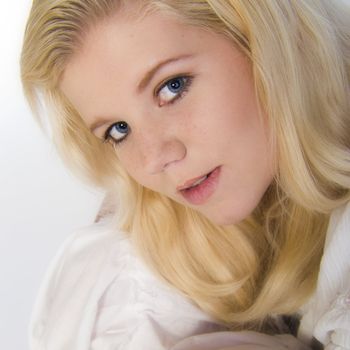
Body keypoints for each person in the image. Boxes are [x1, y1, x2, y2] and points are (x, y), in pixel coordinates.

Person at [21, 0, 350, 349]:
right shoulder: (139, 273)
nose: (154, 159)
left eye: (172, 87)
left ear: (264, 42)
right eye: (119, 130)